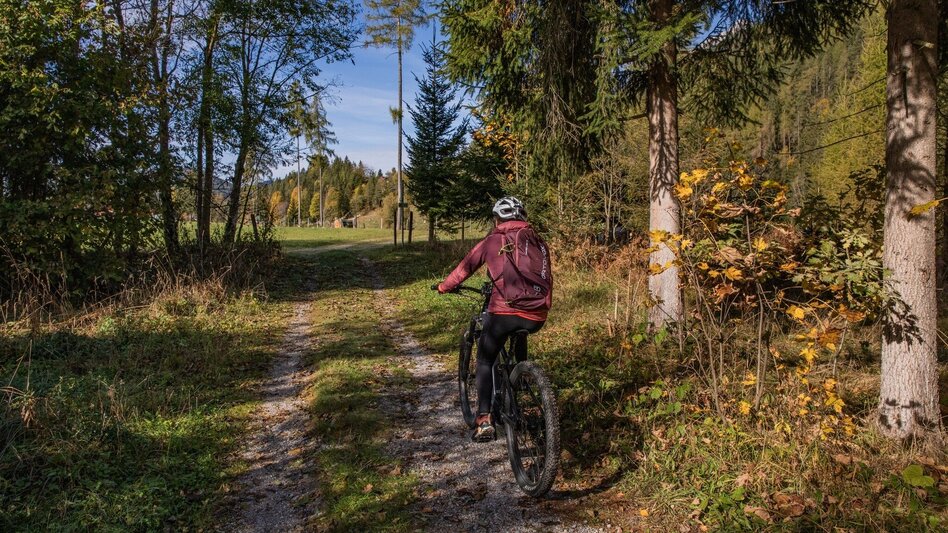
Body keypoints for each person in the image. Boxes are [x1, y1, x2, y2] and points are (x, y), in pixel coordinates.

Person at [436, 196, 552, 442]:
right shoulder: (538, 242)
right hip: (537, 314)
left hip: (503, 313)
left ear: (497, 219)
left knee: (485, 360)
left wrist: (444, 287)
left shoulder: (493, 241)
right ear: (522, 218)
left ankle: (484, 420)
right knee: (519, 328)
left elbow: (465, 268)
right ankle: (521, 377)